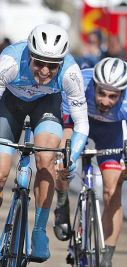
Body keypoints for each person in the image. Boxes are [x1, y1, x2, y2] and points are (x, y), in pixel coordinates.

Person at [0, 23, 89, 266]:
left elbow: (81, 124)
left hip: (46, 106)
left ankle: (38, 231)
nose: (45, 71)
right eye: (39, 63)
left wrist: (71, 157)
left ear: (62, 62)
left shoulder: (71, 72)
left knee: (47, 158)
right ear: (29, 56)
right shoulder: (10, 62)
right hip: (10, 105)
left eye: (53, 65)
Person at [54, 57, 127, 267]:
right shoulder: (79, 82)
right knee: (63, 159)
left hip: (110, 133)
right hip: (78, 122)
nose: (105, 102)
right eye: (101, 93)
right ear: (93, 85)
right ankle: (61, 202)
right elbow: (66, 124)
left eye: (113, 96)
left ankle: (106, 258)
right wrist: (65, 155)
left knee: (112, 191)